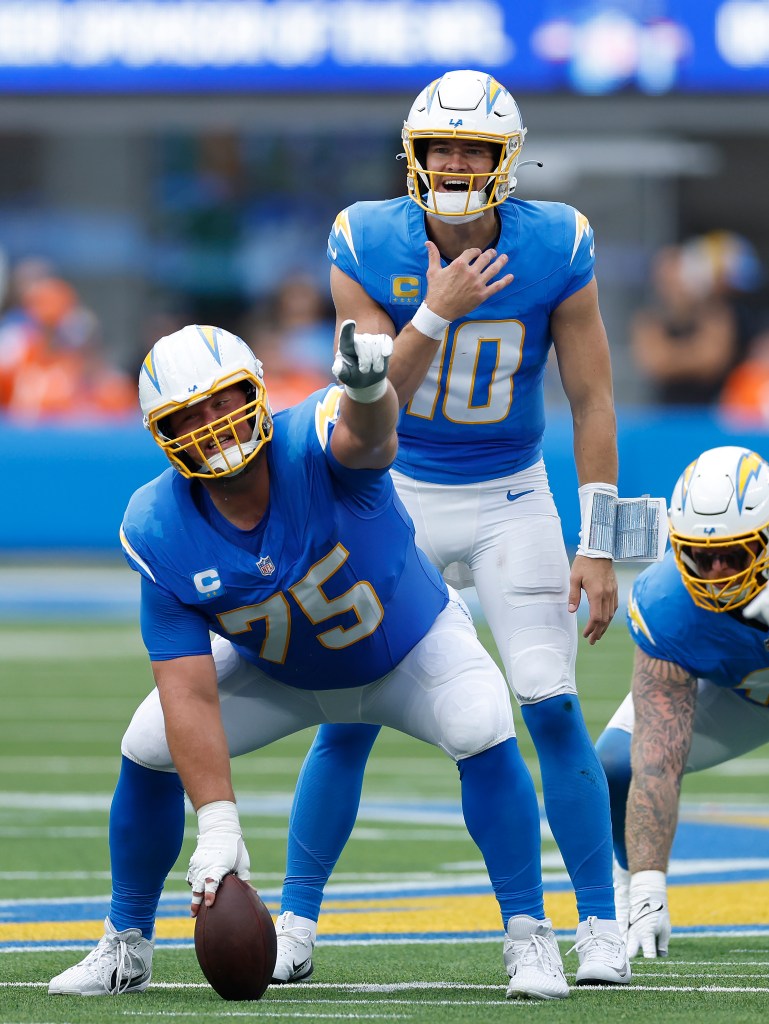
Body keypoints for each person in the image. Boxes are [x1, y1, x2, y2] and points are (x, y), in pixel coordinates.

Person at [49, 321, 576, 1001]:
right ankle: (126, 942)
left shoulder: (313, 436)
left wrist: (368, 389)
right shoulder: (156, 525)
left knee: (480, 720)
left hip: (406, 648)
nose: (212, 426)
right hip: (280, 673)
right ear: (161, 432)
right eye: (189, 415)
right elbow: (186, 688)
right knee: (148, 742)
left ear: (258, 394)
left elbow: (371, 438)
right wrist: (218, 822)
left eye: (223, 401)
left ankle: (528, 934)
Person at [274, 68, 640, 986]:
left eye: (472, 148)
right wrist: (437, 309)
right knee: (345, 715)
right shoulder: (367, 239)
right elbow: (369, 404)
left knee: (549, 704)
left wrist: (599, 545)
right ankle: (295, 921)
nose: (454, 162)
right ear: (413, 153)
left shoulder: (556, 242)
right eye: (440, 146)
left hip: (512, 494)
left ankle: (598, 925)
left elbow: (593, 401)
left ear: (504, 160)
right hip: (388, 496)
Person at [595, 445, 769, 958]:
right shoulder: (667, 601)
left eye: (733, 555)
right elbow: (655, 758)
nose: (715, 573)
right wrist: (650, 885)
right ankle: (629, 893)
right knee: (615, 764)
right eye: (698, 554)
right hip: (743, 694)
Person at [629, 231, 764, 407]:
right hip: (663, 415)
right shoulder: (647, 318)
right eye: (666, 273)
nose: (673, 280)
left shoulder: (715, 312)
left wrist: (671, 356)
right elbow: (655, 364)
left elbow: (712, 362)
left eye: (678, 270)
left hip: (711, 413)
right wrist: (696, 353)